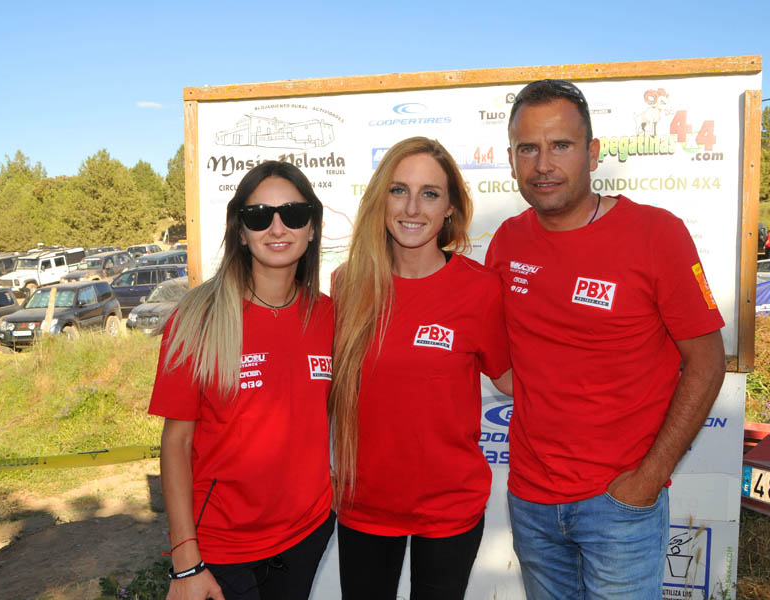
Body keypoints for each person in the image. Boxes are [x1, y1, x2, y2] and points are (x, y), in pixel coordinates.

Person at [484, 79, 727, 599]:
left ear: (592, 154)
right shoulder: (506, 242)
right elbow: (505, 364)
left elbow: (707, 363)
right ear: (510, 160)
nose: (543, 164)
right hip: (531, 502)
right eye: (528, 148)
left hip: (620, 505)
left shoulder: (657, 234)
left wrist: (649, 478)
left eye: (561, 145)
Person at [329, 136, 512, 600]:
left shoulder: (481, 288)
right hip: (363, 507)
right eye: (399, 190)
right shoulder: (347, 285)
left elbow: (511, 380)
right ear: (380, 199)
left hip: (450, 510)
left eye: (430, 193)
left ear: (450, 208)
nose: (412, 207)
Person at [149, 161, 334, 600]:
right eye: (259, 216)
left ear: (311, 228)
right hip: (223, 551)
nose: (277, 228)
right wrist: (185, 559)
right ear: (241, 231)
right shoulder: (197, 317)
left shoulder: (329, 315)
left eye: (294, 214)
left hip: (308, 537)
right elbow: (176, 443)